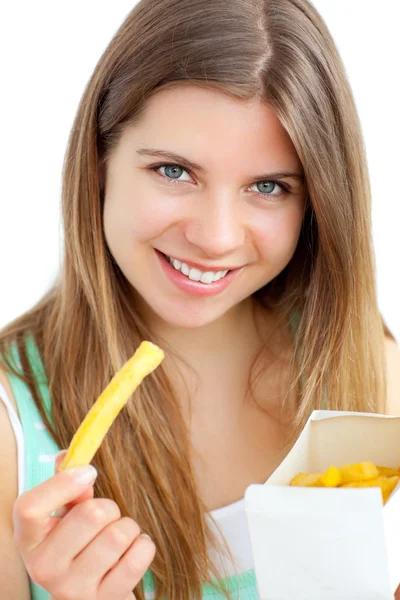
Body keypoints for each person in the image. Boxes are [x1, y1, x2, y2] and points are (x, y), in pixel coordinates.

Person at [1, 0, 400, 598]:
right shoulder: (13, 429)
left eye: (268, 187)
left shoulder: (374, 375)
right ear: (100, 162)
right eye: (173, 171)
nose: (215, 237)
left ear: (316, 204)